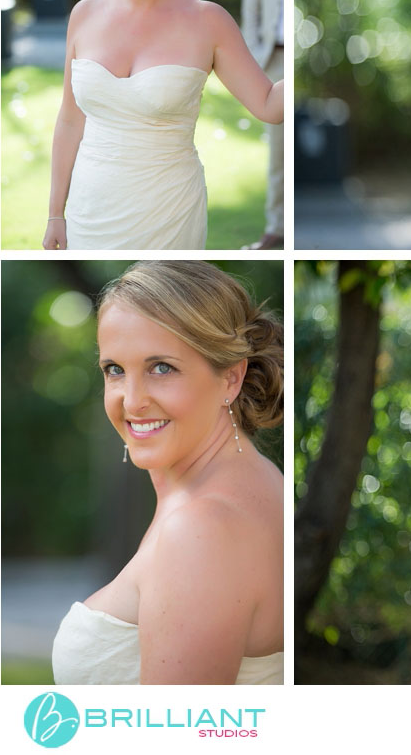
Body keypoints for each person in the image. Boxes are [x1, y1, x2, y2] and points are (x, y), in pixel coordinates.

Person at [51, 261, 284, 684]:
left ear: (231, 378)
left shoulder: (201, 530)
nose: (132, 401)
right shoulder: (249, 483)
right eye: (115, 370)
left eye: (161, 368)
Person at [42, 0, 285, 250]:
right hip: (88, 210)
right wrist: (55, 215)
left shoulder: (208, 21)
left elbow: (267, 104)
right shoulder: (84, 14)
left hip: (169, 213)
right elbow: (70, 120)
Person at [240, 0, 285, 250]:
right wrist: (255, 58)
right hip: (274, 57)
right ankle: (276, 228)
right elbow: (250, 8)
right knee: (277, 149)